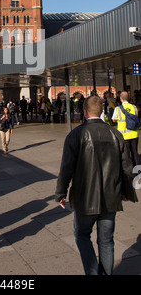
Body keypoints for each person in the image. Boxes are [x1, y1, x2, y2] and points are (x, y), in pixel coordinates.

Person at [55, 96, 137, 275]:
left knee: (82, 235)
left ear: (84, 112)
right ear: (102, 111)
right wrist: (126, 191)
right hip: (110, 196)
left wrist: (60, 192)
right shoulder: (115, 134)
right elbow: (127, 167)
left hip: (85, 197)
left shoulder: (76, 135)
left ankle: (93, 272)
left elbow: (66, 167)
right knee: (106, 240)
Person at [112, 91, 139, 167]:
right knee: (135, 153)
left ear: (120, 98)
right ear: (129, 98)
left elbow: (114, 119)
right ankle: (137, 169)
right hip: (134, 134)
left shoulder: (118, 109)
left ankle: (128, 171)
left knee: (126, 155)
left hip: (124, 136)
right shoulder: (134, 107)